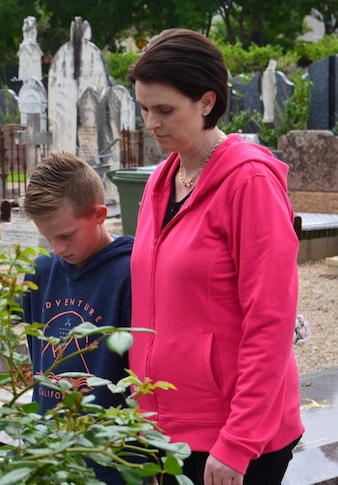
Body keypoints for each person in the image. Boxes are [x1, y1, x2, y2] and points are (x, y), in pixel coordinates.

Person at [126, 28, 303, 485]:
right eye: (144, 109)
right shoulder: (161, 180)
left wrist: (238, 441)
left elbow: (270, 320)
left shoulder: (249, 184)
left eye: (165, 110)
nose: (151, 123)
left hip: (230, 439)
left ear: (207, 102)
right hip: (164, 426)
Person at [20, 152, 134, 484]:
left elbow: (143, 377)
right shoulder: (41, 272)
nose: (57, 248)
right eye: (48, 237)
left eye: (66, 236)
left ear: (99, 214)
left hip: (109, 458)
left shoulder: (129, 273)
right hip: (46, 450)